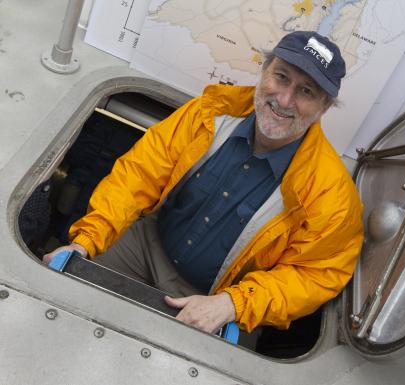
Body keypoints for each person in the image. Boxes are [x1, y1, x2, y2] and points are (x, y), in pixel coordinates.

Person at [43, 31, 364, 334]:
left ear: (324, 108)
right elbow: (139, 174)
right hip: (146, 244)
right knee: (57, 301)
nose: (284, 98)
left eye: (306, 91)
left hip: (218, 297)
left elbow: (315, 275)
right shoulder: (209, 113)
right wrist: (86, 240)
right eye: (281, 76)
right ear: (264, 71)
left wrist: (234, 304)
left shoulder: (332, 194)